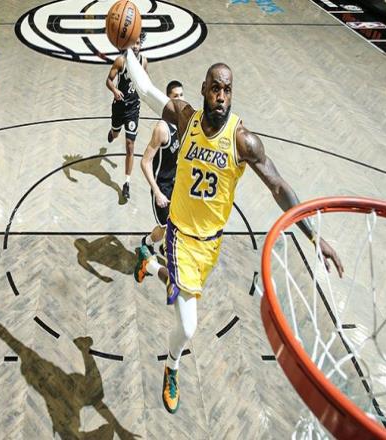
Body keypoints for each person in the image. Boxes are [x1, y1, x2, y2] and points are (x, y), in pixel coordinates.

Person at [124, 50, 345, 415]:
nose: (221, 97)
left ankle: (149, 266)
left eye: (227, 90)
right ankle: (172, 367)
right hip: (179, 235)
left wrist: (313, 236)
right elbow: (146, 89)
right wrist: (126, 49)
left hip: (211, 244)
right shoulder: (186, 118)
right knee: (188, 325)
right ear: (203, 89)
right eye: (215, 89)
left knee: (182, 293)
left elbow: (278, 186)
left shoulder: (243, 141)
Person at [140, 80, 184, 255]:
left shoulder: (184, 122)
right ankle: (147, 241)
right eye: (175, 96)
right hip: (162, 186)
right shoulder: (162, 129)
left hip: (176, 184)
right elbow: (145, 162)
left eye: (181, 95)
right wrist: (157, 192)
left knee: (178, 224)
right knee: (165, 226)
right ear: (168, 100)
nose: (180, 99)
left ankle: (166, 247)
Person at [106, 32, 147, 200]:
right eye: (133, 43)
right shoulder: (120, 61)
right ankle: (112, 132)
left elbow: (144, 82)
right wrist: (115, 90)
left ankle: (126, 183)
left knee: (130, 145)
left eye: (138, 43)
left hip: (133, 109)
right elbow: (108, 80)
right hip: (119, 107)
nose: (136, 46)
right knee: (116, 135)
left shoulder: (144, 61)